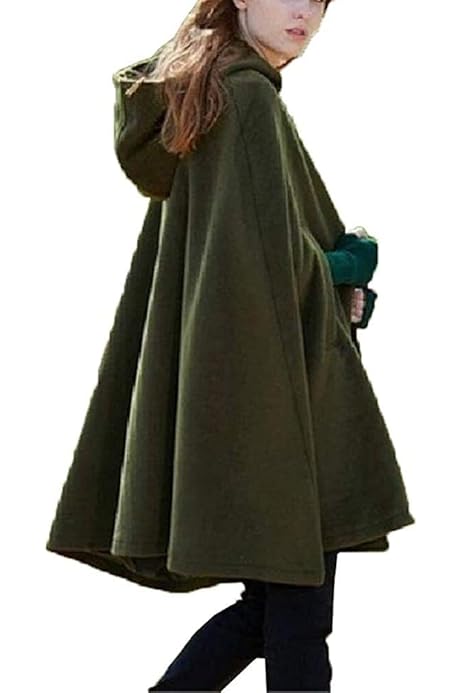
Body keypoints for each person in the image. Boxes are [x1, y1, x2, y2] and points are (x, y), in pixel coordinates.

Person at [45, 1, 416, 691]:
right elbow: (268, 268)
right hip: (277, 397)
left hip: (242, 383)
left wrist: (334, 282)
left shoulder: (206, 91)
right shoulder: (245, 98)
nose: (306, 12)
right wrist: (348, 263)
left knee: (276, 609)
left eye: (319, 0)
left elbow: (247, 260)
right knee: (297, 614)